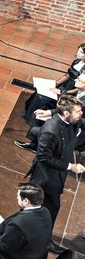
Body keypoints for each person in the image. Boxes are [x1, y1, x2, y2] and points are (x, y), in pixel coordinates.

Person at [27, 95, 85, 236]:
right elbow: (44, 157)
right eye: (78, 111)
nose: (81, 113)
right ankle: (38, 237)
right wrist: (71, 167)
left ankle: (42, 236)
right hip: (45, 176)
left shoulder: (72, 120)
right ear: (67, 113)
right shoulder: (50, 130)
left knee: (48, 208)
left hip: (56, 174)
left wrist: (51, 112)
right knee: (39, 207)